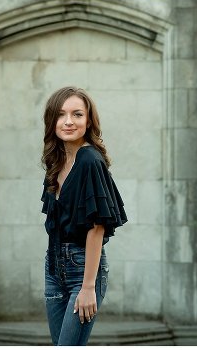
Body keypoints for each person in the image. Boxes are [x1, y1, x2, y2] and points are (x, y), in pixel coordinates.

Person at [41, 87, 127, 346]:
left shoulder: (89, 159)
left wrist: (88, 286)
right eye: (61, 115)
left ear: (88, 120)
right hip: (54, 267)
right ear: (51, 121)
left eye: (77, 114)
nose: (69, 121)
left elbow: (97, 227)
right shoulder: (57, 160)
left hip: (83, 270)